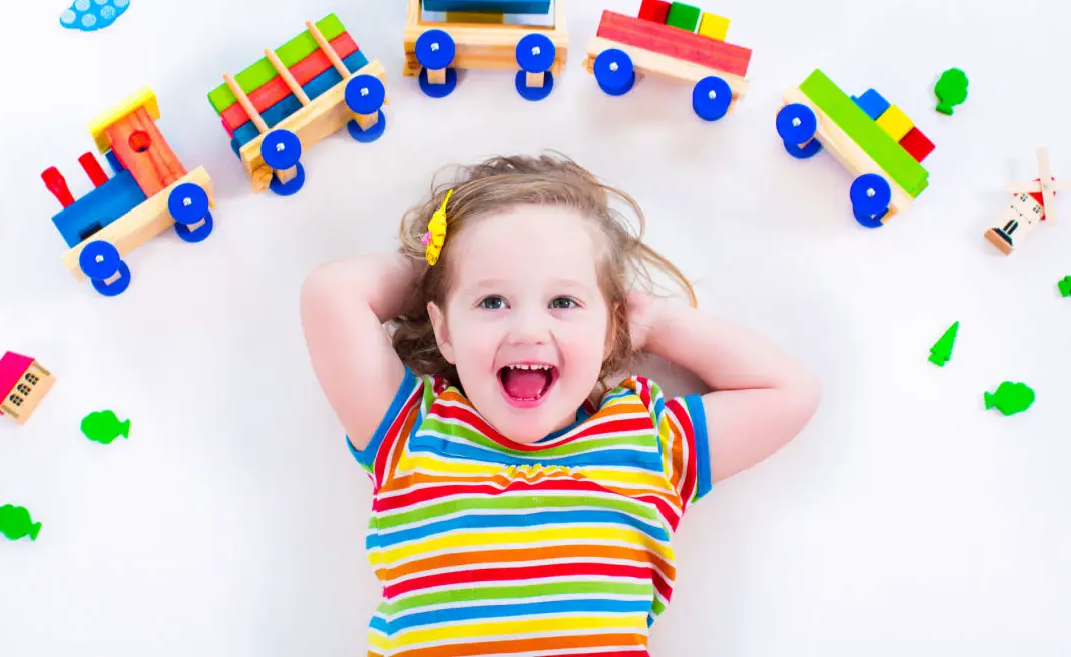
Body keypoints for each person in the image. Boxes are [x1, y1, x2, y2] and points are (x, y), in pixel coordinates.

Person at [300, 153, 821, 656]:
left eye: (563, 302)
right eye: (492, 301)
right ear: (445, 331)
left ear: (612, 327)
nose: (528, 328)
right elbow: (332, 294)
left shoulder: (646, 442)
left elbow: (788, 392)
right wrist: (443, 263)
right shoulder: (413, 434)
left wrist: (660, 324)